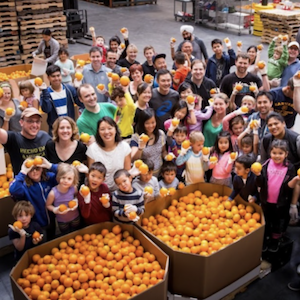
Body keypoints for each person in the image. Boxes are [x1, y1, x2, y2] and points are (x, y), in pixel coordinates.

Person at [253, 140, 300, 252]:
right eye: (274, 153)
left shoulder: (289, 167)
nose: (277, 156)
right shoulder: (265, 164)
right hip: (266, 201)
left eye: (280, 153)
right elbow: (260, 183)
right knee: (266, 222)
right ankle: (265, 240)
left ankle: (275, 242)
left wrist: (296, 180)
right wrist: (258, 175)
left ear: (286, 154)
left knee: (278, 223)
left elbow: (288, 187)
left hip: (281, 203)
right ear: (270, 153)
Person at [9, 156, 58, 240]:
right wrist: (23, 172)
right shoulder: (24, 186)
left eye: (37, 168)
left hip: (52, 219)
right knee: (41, 244)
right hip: (36, 224)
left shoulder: (49, 178)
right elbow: (13, 190)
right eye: (31, 169)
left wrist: (50, 166)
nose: (34, 171)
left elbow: (65, 173)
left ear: (42, 168)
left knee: (52, 240)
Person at [0, 107, 51, 175]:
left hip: (43, 182)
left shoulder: (45, 136)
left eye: (37, 121)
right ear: (21, 122)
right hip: (23, 183)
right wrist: (6, 119)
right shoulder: (14, 138)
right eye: (30, 121)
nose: (34, 125)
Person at [86, 117, 131, 192]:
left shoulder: (124, 147)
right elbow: (91, 176)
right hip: (99, 191)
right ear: (98, 132)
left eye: (110, 128)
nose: (106, 132)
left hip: (120, 190)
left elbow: (127, 173)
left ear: (115, 129)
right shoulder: (92, 149)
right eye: (102, 129)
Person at [40, 65, 83, 135]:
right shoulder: (46, 93)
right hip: (55, 129)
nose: (56, 78)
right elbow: (46, 109)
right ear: (48, 78)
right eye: (53, 76)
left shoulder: (69, 89)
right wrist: (44, 92)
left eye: (58, 75)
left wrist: (78, 89)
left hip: (69, 127)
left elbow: (81, 103)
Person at [45, 117, 87, 185]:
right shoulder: (50, 145)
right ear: (57, 130)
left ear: (72, 130)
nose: (65, 130)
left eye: (68, 128)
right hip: (56, 189)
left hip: (76, 188)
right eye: (62, 128)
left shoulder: (81, 147)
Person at [130, 108, 167, 177]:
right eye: (147, 123)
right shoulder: (136, 137)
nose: (150, 126)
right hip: (144, 176)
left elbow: (163, 151)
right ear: (142, 123)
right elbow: (133, 160)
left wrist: (167, 157)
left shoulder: (161, 134)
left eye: (153, 122)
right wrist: (140, 148)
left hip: (159, 173)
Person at [46, 163, 80, 234]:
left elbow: (76, 196)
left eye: (69, 179)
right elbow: (48, 205)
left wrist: (76, 200)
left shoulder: (73, 188)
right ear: (58, 177)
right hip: (62, 220)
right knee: (65, 234)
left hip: (75, 217)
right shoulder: (53, 193)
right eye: (63, 177)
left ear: (73, 180)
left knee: (76, 233)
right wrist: (54, 209)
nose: (66, 181)